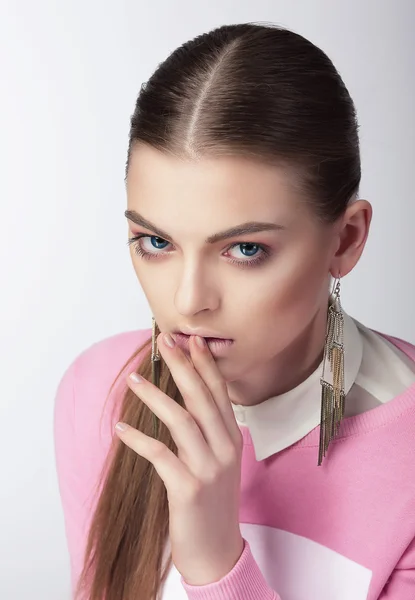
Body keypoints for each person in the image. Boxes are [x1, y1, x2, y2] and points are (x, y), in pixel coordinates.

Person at [53, 22, 415, 600]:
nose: (188, 299)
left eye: (245, 249)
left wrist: (216, 564)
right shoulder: (99, 394)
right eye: (156, 242)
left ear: (345, 239)